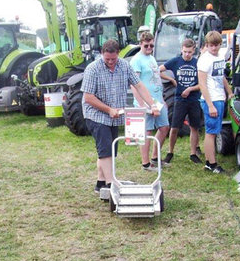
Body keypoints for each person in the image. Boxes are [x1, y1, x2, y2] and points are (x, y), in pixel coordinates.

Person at [82, 39, 160, 193]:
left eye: (113, 59)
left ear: (118, 54)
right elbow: (88, 97)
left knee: (110, 150)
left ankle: (100, 183)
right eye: (107, 59)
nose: (110, 62)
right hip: (96, 115)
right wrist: (108, 109)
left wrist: (152, 105)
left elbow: (139, 85)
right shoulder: (93, 69)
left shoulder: (124, 65)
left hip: (114, 116)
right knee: (105, 150)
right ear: (102, 55)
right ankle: (111, 185)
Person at [130, 32, 170, 171]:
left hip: (158, 100)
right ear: (140, 44)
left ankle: (155, 157)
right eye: (146, 45)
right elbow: (134, 83)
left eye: (151, 45)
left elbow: (157, 78)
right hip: (145, 102)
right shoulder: (136, 60)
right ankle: (145, 163)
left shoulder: (152, 58)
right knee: (147, 132)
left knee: (164, 127)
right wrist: (141, 103)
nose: (149, 47)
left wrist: (162, 99)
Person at [160, 38, 203, 165]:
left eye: (189, 52)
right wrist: (171, 80)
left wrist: (190, 89)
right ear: (181, 50)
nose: (187, 54)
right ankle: (170, 152)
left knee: (194, 127)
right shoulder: (176, 61)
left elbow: (202, 84)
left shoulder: (198, 63)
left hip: (194, 99)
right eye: (185, 52)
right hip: (179, 99)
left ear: (193, 51)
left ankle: (193, 153)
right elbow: (159, 70)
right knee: (174, 128)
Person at [197, 31, 233, 173]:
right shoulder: (204, 60)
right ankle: (211, 164)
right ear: (207, 45)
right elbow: (202, 84)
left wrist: (229, 91)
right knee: (211, 132)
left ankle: (210, 161)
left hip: (220, 97)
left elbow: (221, 75)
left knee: (215, 131)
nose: (214, 48)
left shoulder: (220, 57)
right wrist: (210, 104)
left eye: (217, 45)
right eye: (211, 46)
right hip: (210, 99)